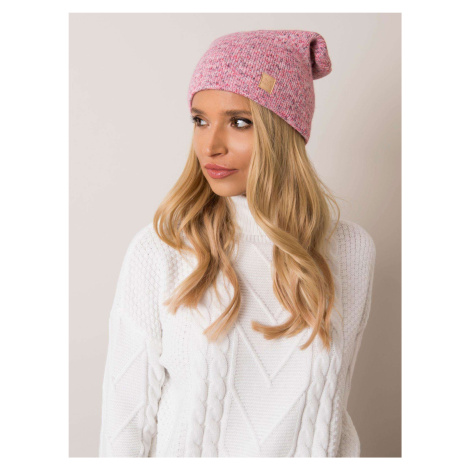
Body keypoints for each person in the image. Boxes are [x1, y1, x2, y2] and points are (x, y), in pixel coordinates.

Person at [98, 29, 376, 458]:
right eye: (200, 120)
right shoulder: (161, 250)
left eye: (240, 122)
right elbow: (124, 429)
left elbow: (331, 414)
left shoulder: (351, 251)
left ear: (284, 131)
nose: (210, 145)